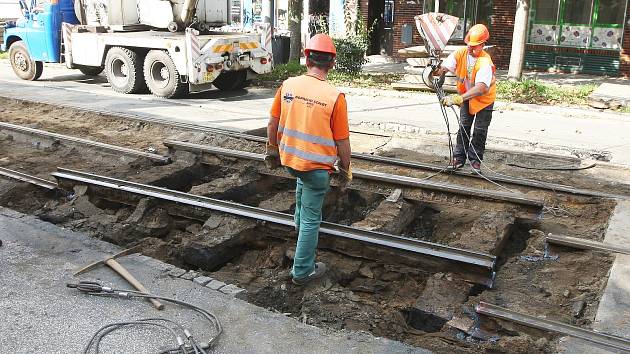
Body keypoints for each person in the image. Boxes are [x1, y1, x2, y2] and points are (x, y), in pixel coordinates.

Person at [264, 33, 352, 286]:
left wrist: (272, 149)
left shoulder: (288, 85)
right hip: (316, 169)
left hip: (291, 161)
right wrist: (345, 170)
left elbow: (273, 123)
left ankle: (299, 232)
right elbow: (342, 142)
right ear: (332, 63)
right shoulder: (335, 97)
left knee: (302, 196)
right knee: (313, 218)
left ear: (306, 58)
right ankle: (302, 271)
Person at [434, 24, 496, 173]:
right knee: (463, 127)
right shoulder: (460, 53)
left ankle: (475, 161)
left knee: (480, 131)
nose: (470, 49)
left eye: (474, 46)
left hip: (484, 100)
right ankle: (458, 159)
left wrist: (459, 98)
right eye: (468, 45)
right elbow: (442, 69)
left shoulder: (485, 62)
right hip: (467, 96)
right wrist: (435, 69)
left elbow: (481, 88)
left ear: (482, 45)